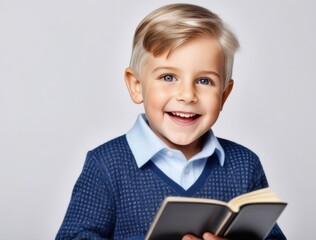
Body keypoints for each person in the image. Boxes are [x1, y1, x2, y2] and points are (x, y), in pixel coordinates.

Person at [56, 3, 286, 240]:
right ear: (137, 86)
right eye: (168, 77)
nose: (187, 95)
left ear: (224, 95)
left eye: (205, 81)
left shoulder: (245, 165)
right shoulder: (106, 164)